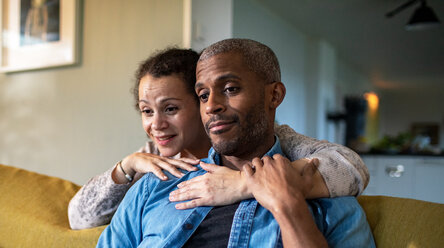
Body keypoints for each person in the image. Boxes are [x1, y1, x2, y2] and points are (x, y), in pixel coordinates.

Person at [74, 39, 384, 248]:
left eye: (231, 89)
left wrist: (284, 202)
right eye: (204, 95)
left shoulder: (327, 200)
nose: (211, 106)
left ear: (273, 95)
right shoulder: (156, 183)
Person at [68, 48, 369, 229]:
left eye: (170, 109)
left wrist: (244, 183)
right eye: (147, 111)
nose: (156, 124)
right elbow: (80, 218)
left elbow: (351, 167)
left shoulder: (265, 142)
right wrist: (126, 166)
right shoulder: (153, 157)